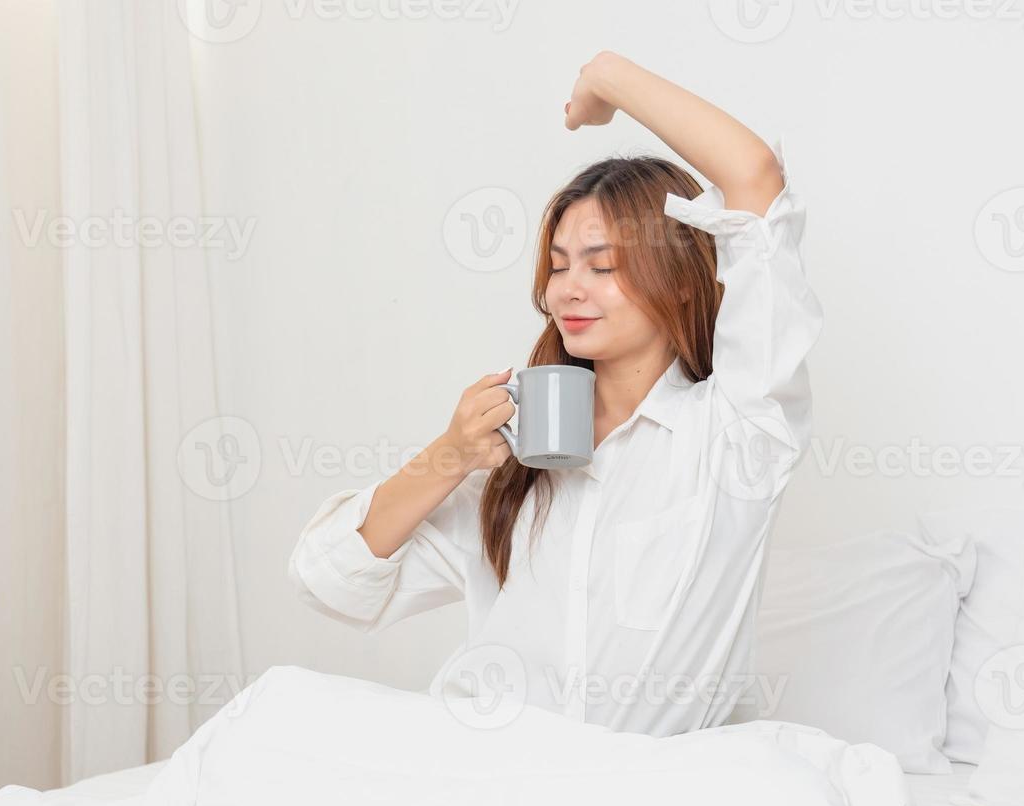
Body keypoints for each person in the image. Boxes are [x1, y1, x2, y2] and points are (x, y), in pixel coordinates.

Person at [287, 51, 823, 737]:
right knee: (281, 713)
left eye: (604, 267)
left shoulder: (739, 433)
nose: (568, 289)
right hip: (495, 773)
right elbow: (328, 580)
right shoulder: (514, 458)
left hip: (644, 795)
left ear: (685, 278)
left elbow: (755, 179)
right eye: (560, 265)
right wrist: (448, 457)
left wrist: (606, 78)